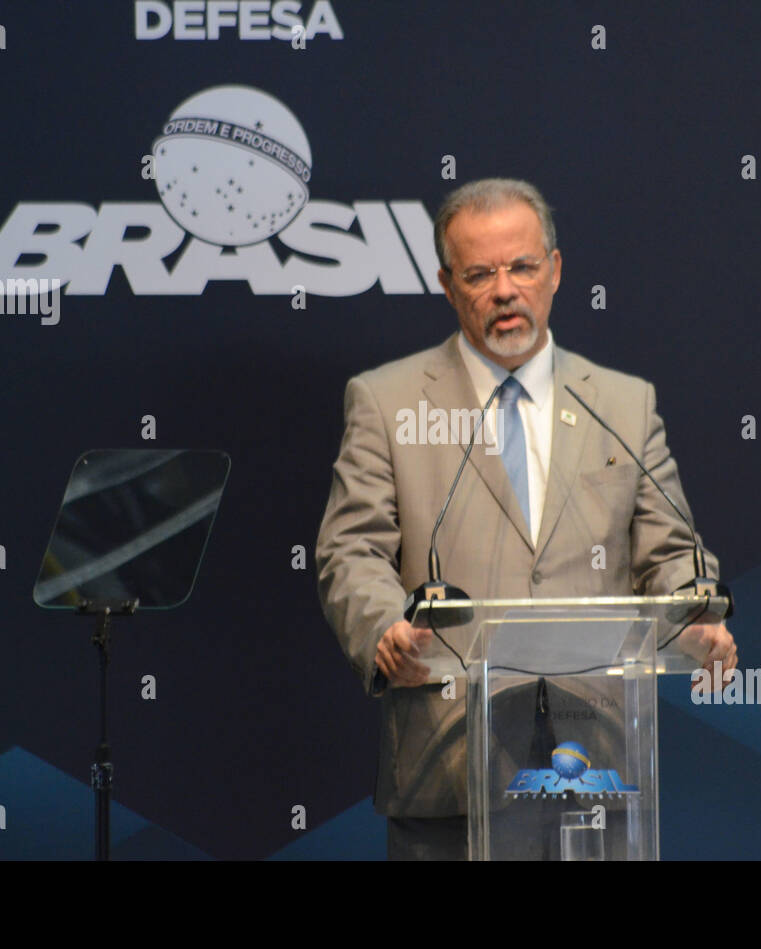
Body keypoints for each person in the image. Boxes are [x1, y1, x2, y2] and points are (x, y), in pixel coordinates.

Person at [315, 178, 736, 860]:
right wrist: (384, 627)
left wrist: (697, 616)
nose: (504, 289)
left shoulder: (623, 404)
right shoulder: (388, 403)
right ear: (449, 286)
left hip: (597, 761)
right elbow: (350, 551)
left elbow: (672, 554)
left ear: (556, 271)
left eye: (522, 267)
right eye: (480, 273)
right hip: (447, 764)